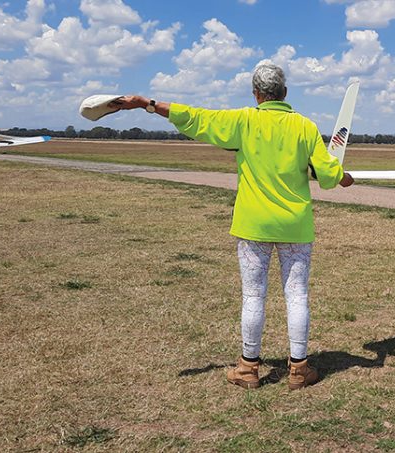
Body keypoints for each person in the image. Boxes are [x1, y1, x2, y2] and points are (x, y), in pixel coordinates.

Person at [110, 64, 354, 390]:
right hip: (295, 226)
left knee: (253, 295)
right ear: (284, 93)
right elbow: (327, 173)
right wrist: (344, 177)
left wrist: (147, 104)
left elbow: (195, 118)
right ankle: (299, 370)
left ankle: (248, 369)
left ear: (256, 94)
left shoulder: (243, 120)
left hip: (253, 225)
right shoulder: (304, 126)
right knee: (297, 296)